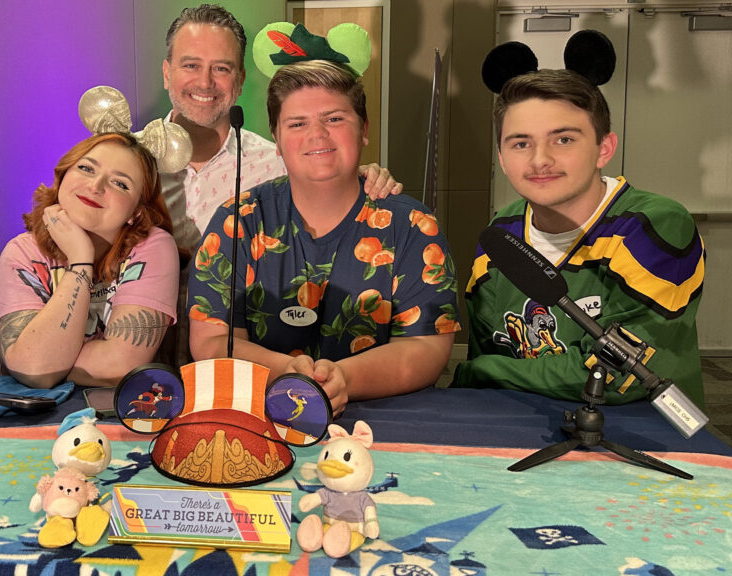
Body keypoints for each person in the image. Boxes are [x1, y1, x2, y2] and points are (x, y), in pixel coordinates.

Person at [187, 25, 460, 417]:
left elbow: (428, 347)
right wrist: (287, 373)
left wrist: (342, 379)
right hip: (260, 417)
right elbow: (212, 340)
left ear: (363, 130)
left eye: (334, 119)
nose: (316, 135)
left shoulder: (414, 226)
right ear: (276, 140)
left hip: (386, 422)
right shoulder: (238, 223)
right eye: (297, 124)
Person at [453, 32, 706, 407]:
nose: (540, 160)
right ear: (503, 159)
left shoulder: (655, 225)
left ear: (604, 148)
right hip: (522, 426)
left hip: (645, 438)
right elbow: (488, 350)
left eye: (564, 139)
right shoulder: (500, 233)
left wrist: (486, 372)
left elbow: (623, 374)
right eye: (521, 143)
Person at [160, 4, 402, 367]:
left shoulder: (277, 161)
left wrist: (359, 175)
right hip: (136, 365)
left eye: (221, 68)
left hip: (247, 370)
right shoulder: (122, 163)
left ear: (240, 80)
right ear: (167, 73)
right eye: (191, 65)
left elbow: (328, 179)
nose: (205, 82)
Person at [0, 90, 184, 388]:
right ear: (63, 176)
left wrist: (32, 357)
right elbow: (33, 367)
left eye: (120, 183)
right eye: (86, 168)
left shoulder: (154, 247)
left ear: (135, 211)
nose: (95, 186)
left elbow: (120, 367)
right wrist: (81, 260)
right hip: (35, 419)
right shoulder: (21, 252)